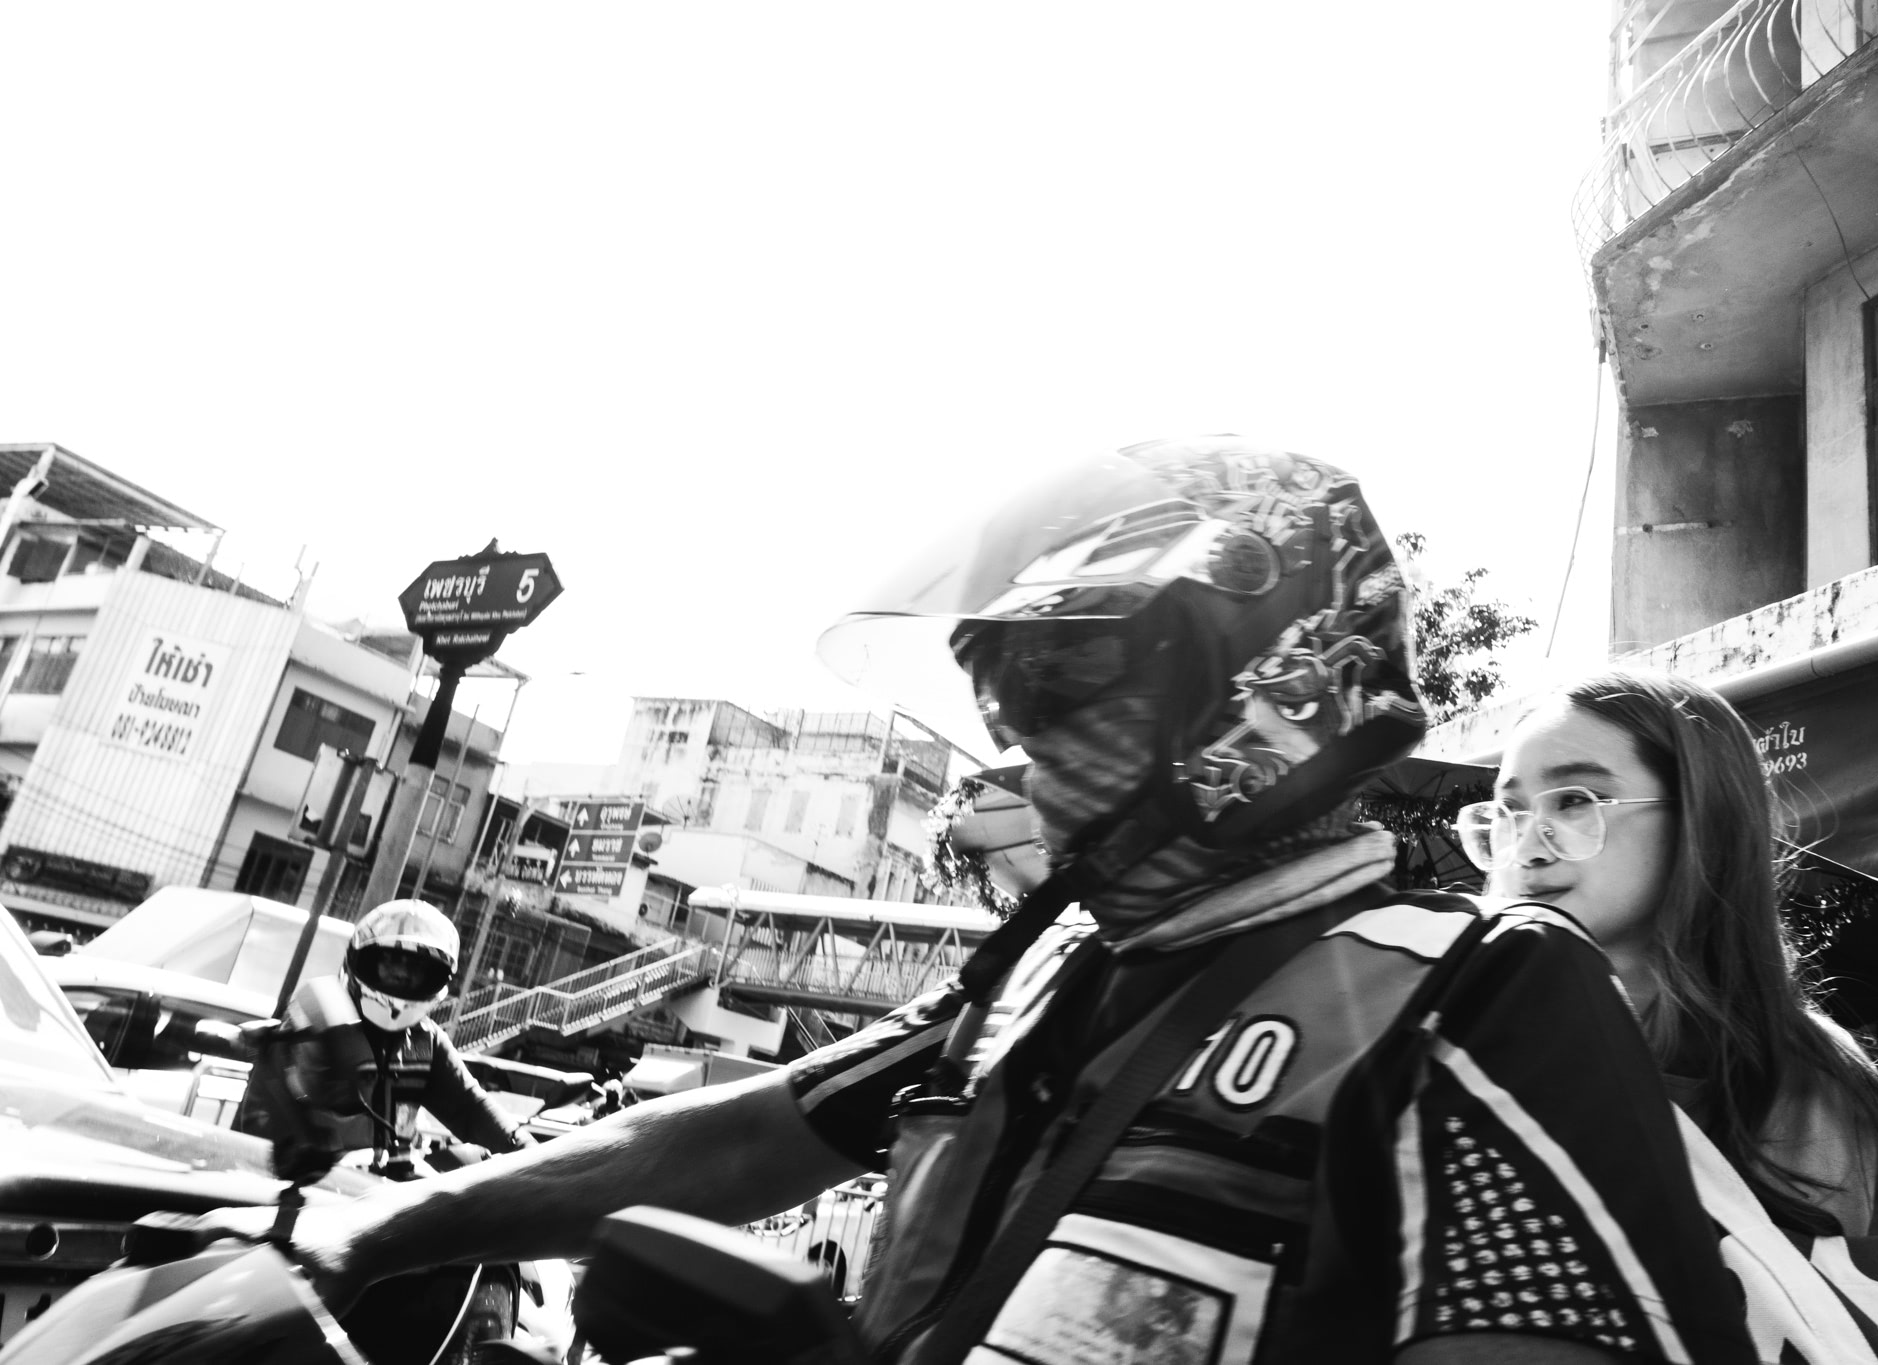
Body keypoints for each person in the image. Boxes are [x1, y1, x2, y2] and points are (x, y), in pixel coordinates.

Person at [207, 439, 1755, 1363]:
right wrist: (381, 1232)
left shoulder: (1472, 1003)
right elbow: (743, 1130)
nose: (1020, 756)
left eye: (1059, 702)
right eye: (1008, 708)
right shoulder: (1052, 982)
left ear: (1252, 709)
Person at [1455, 670, 1878, 1356]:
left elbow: (1852, 1329)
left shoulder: (1803, 1087)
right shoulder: (1455, 1049)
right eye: (1507, 812)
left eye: (1575, 800)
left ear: (1699, 820)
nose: (1527, 846)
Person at [240, 898, 534, 1174]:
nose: (404, 975)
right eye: (392, 961)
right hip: (303, 1179)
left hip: (389, 1184)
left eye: (417, 968)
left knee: (477, 1169)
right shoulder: (320, 1015)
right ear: (364, 960)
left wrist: (527, 1149)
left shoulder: (423, 1039)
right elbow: (273, 1119)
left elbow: (470, 1106)